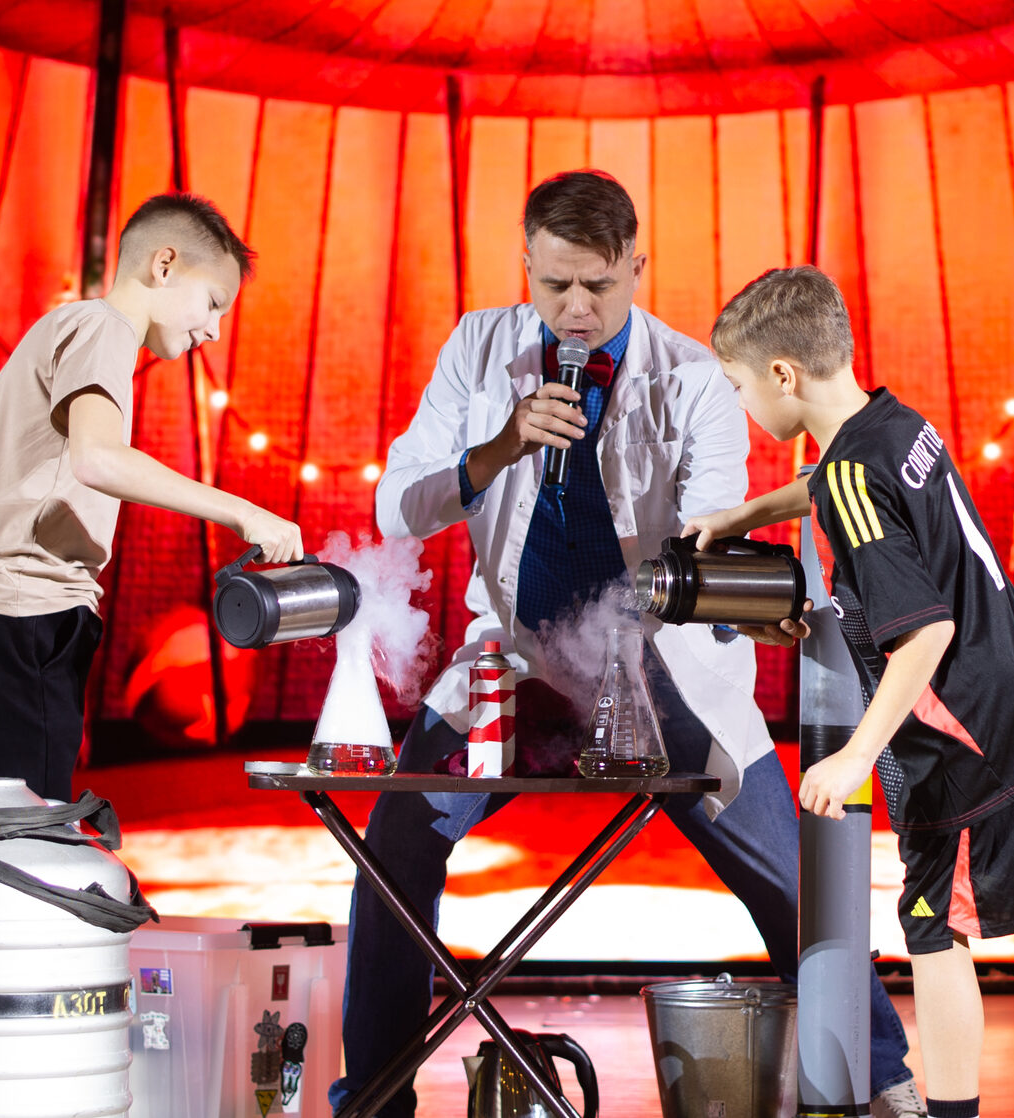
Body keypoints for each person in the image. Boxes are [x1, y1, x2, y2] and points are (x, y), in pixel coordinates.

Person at [342, 171, 924, 1118]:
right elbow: (395, 506)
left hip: (660, 671)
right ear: (524, 267)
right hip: (516, 663)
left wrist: (724, 601)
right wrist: (497, 450)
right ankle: (372, 1096)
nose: (575, 308)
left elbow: (710, 528)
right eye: (554, 285)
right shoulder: (476, 348)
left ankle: (883, 1080)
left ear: (638, 269)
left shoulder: (692, 378)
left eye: (599, 286)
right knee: (394, 847)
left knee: (789, 880)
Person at [689, 264, 1014, 1118]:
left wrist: (855, 755)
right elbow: (832, 484)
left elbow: (924, 632)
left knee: (933, 927)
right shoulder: (897, 423)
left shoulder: (850, 481)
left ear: (782, 374)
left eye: (739, 386)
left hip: (966, 725)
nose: (742, 404)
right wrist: (744, 517)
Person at [0, 192, 302, 802]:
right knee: (21, 824)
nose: (213, 330)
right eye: (213, 303)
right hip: (25, 622)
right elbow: (96, 458)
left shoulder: (59, 332)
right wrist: (243, 512)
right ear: (164, 265)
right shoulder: (104, 330)